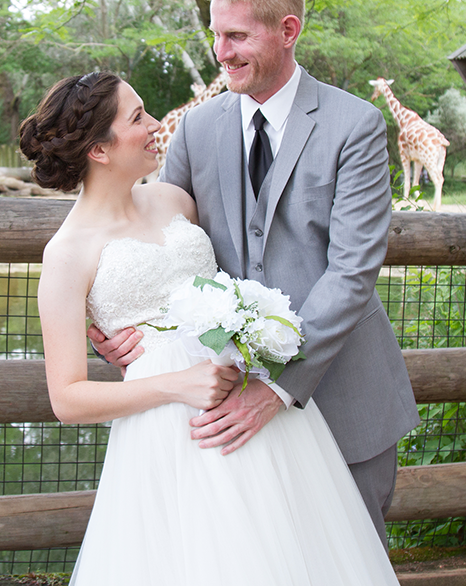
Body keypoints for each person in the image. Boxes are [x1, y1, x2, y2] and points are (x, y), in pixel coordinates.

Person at [89, 0, 420, 546]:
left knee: (348, 562)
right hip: (220, 398)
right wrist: (117, 320)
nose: (222, 51)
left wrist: (276, 387)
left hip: (341, 395)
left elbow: (352, 273)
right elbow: (155, 238)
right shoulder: (196, 129)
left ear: (288, 30)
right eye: (216, 34)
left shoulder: (357, 126)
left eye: (238, 35)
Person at [20, 71, 402, 584]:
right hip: (169, 428)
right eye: (137, 118)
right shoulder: (67, 255)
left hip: (254, 399)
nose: (156, 125)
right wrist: (170, 377)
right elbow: (66, 399)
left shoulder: (173, 202)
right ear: (99, 150)